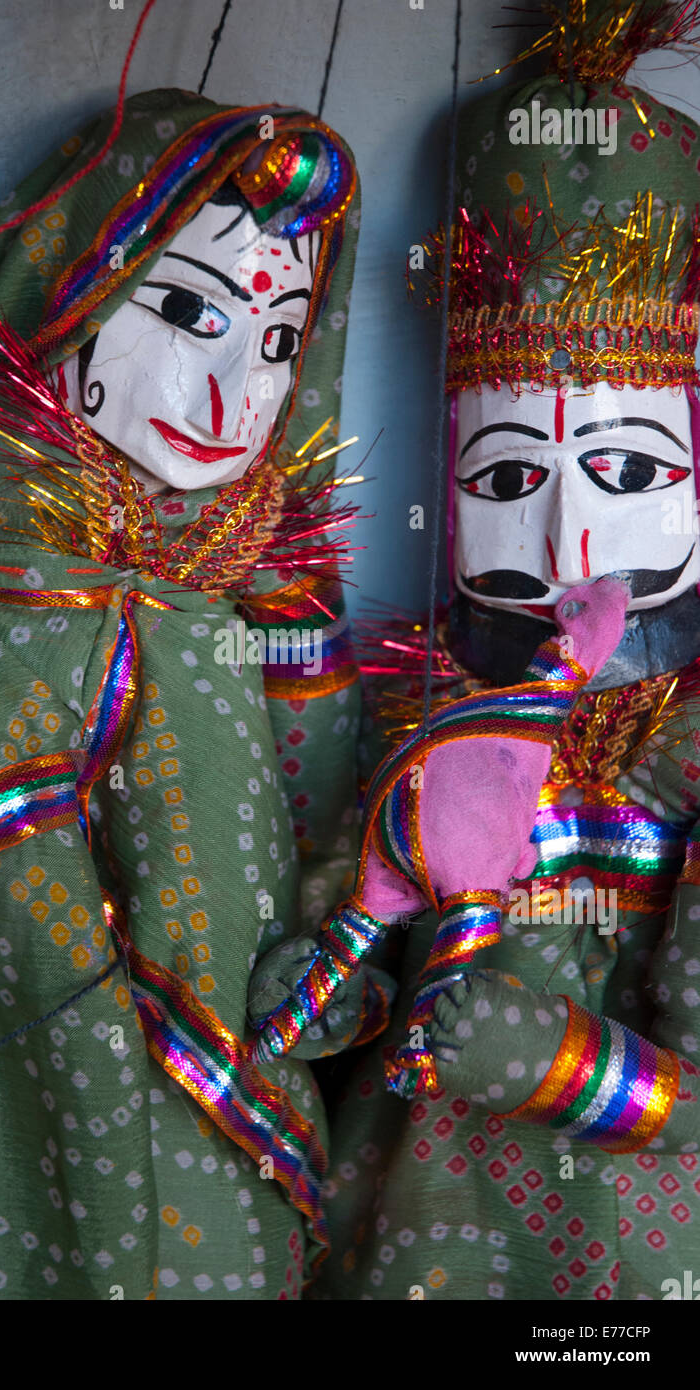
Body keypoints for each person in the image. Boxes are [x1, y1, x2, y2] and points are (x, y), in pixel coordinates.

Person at [0, 87, 363, 1300]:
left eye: (279, 340)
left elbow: (326, 772)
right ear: (81, 279)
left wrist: (338, 927)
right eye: (188, 311)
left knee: (187, 1212)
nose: (235, 393)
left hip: (211, 973)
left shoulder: (266, 559)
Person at [249, 1, 700, 1300]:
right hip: (400, 1227)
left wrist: (541, 1055)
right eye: (507, 471)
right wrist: (326, 987)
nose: (562, 534)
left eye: (621, 469)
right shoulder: (416, 704)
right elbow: (354, 928)